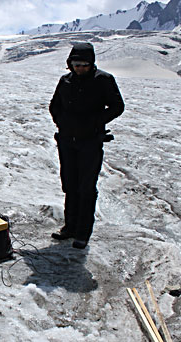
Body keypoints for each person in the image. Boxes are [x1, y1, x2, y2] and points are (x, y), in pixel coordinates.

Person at [49, 42, 124, 249]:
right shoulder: (65, 81)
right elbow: (54, 105)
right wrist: (62, 122)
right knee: (69, 184)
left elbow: (118, 106)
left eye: (84, 64)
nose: (80, 68)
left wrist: (95, 121)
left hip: (90, 142)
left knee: (86, 188)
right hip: (66, 140)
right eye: (76, 64)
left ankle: (83, 232)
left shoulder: (103, 80)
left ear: (92, 64)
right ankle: (70, 227)